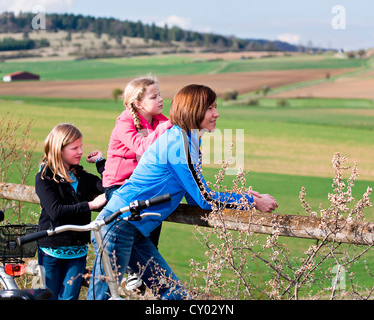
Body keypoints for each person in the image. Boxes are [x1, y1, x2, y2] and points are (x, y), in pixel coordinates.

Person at [87, 84, 278, 300]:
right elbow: (204, 199)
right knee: (100, 297)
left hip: (131, 228)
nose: (216, 113)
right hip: (118, 225)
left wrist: (242, 196)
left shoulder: (187, 141)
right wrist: (249, 201)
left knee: (174, 294)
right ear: (193, 110)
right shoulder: (179, 143)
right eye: (210, 108)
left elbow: (195, 196)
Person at [97, 75, 172, 290]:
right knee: (131, 223)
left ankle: (142, 269)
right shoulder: (125, 122)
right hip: (119, 186)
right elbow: (142, 147)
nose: (161, 99)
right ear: (138, 103)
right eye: (154, 96)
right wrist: (165, 128)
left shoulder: (159, 121)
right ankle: (131, 272)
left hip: (142, 187)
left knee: (152, 220)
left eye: (161, 95)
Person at [35, 123, 107, 300]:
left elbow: (110, 187)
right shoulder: (44, 178)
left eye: (81, 146)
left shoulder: (81, 176)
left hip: (78, 252)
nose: (81, 151)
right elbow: (56, 211)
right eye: (75, 147)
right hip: (51, 250)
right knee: (48, 298)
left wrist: (100, 163)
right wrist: (91, 205)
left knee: (69, 298)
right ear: (59, 149)